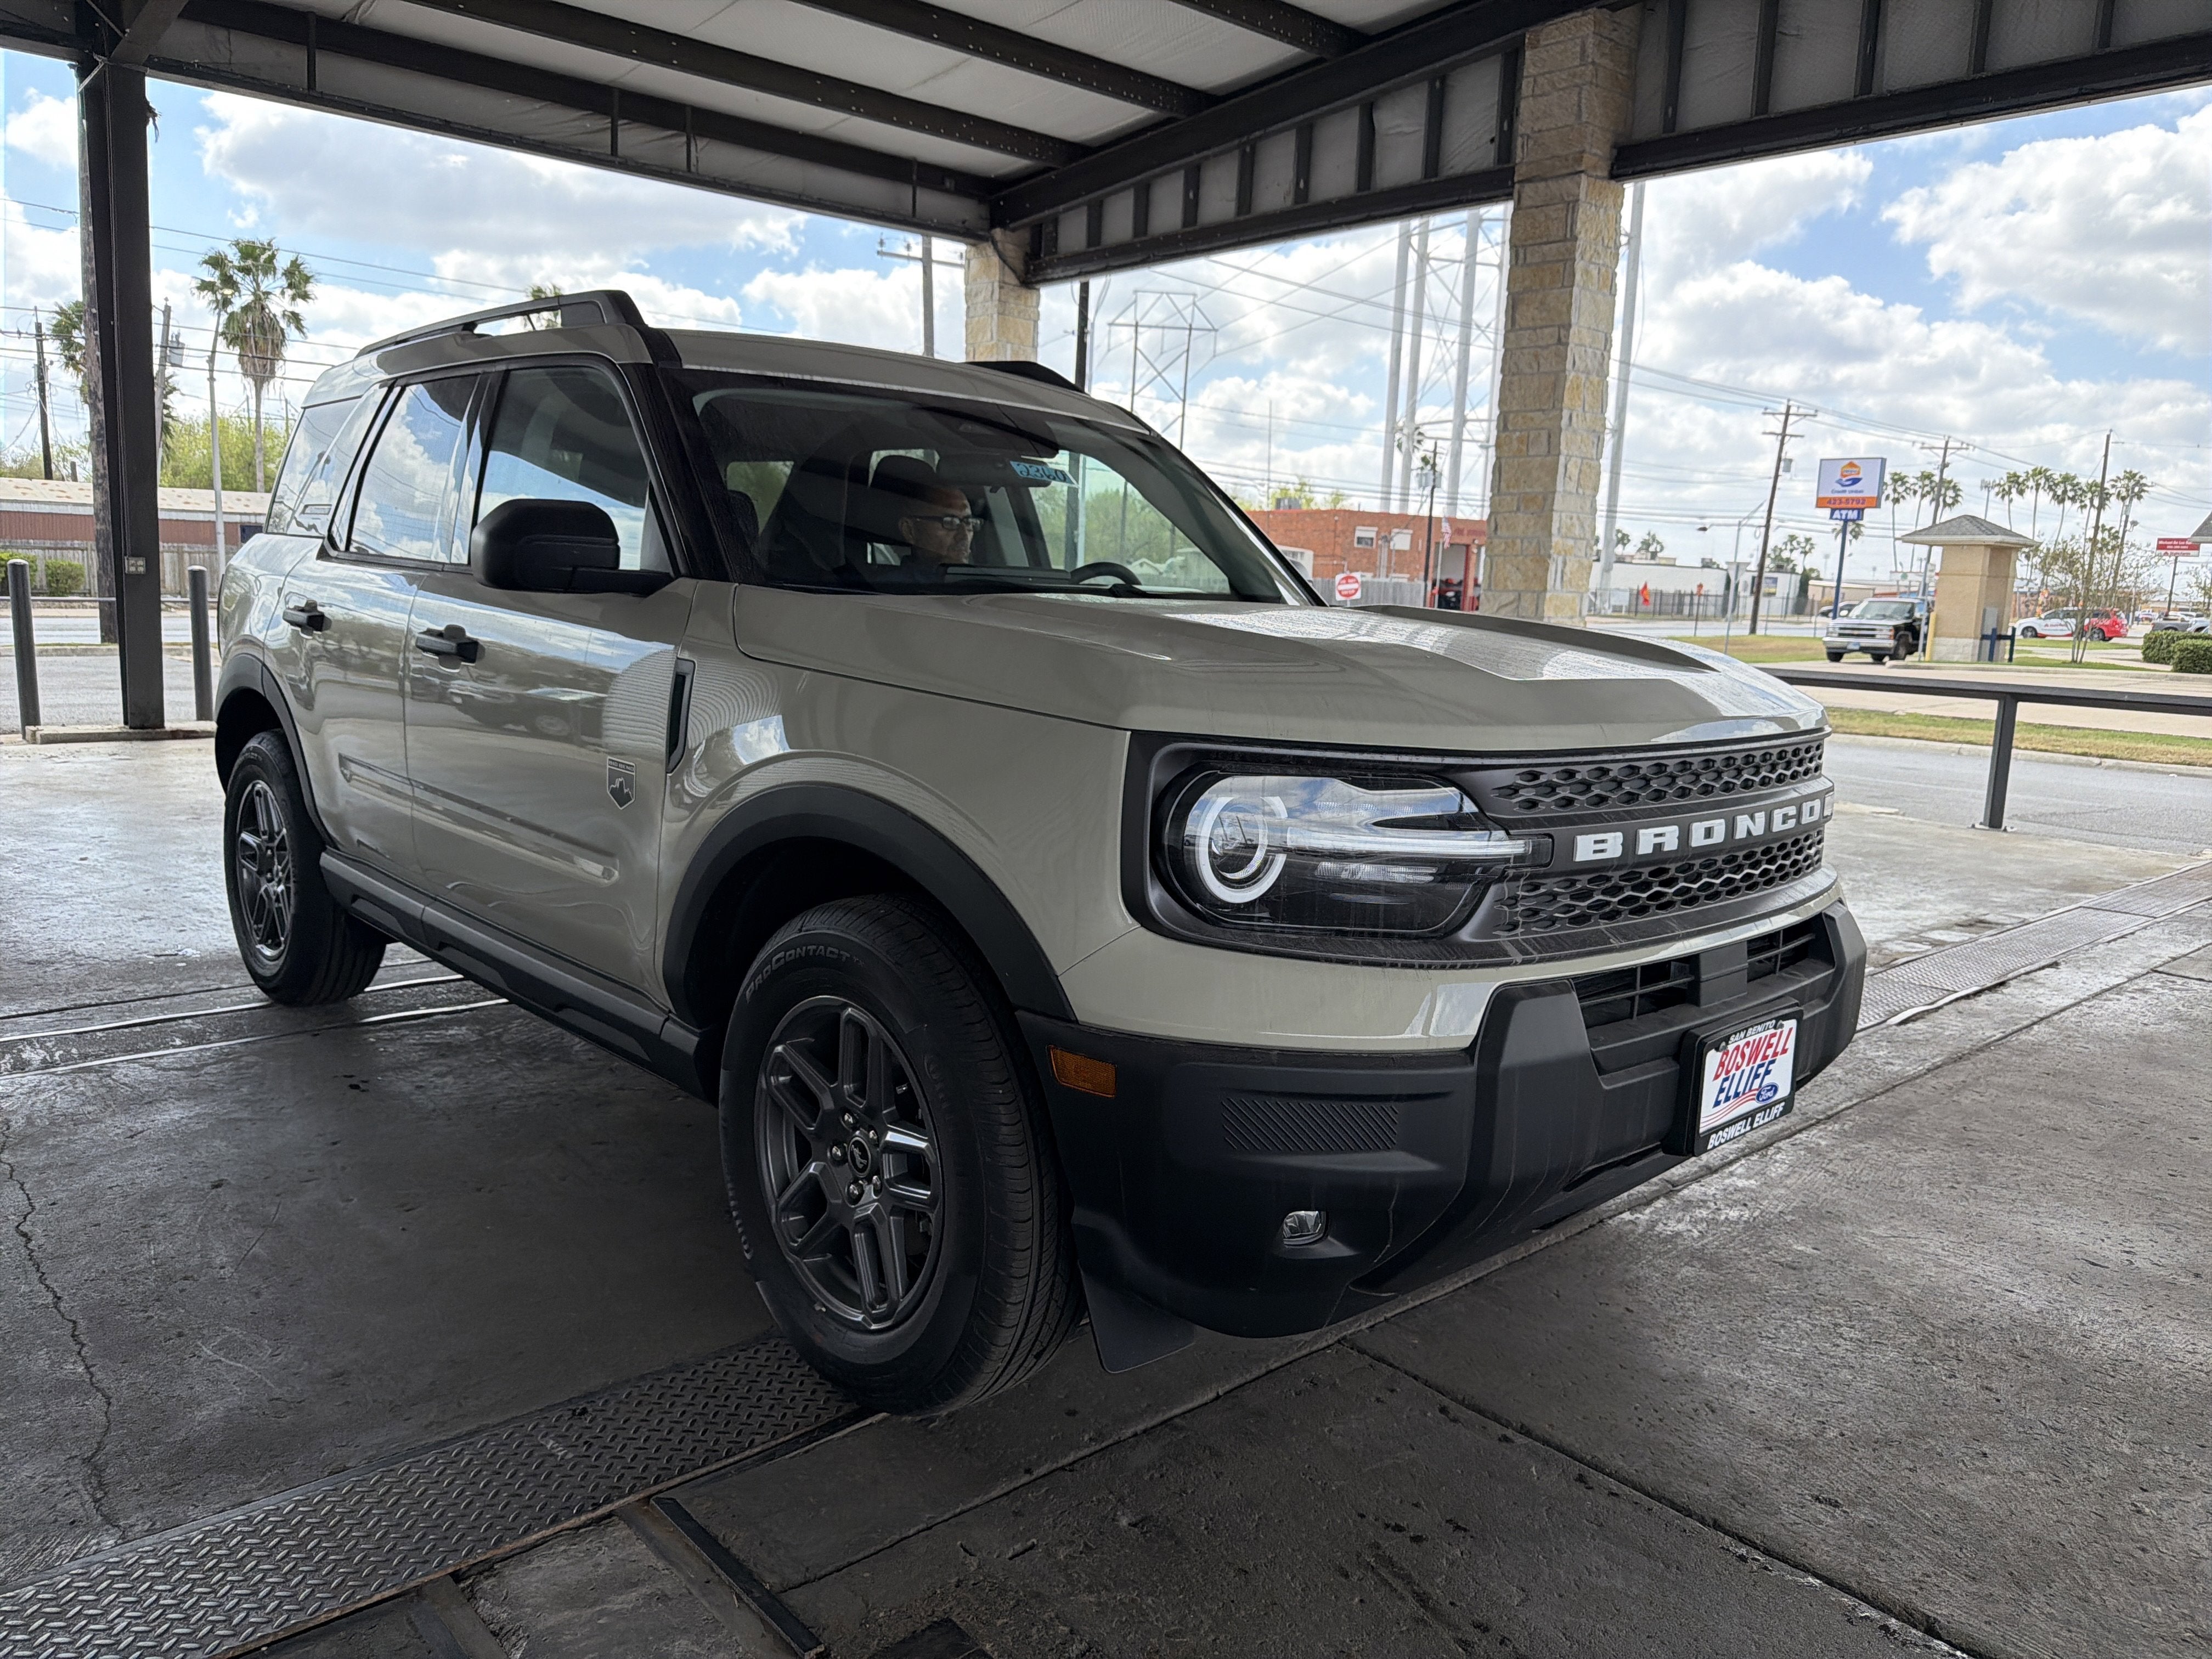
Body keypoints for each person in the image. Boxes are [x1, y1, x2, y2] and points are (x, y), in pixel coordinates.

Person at [870, 455, 977, 574]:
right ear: (909, 531)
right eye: (950, 522)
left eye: (969, 523)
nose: (964, 536)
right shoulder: (889, 584)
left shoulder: (984, 581)